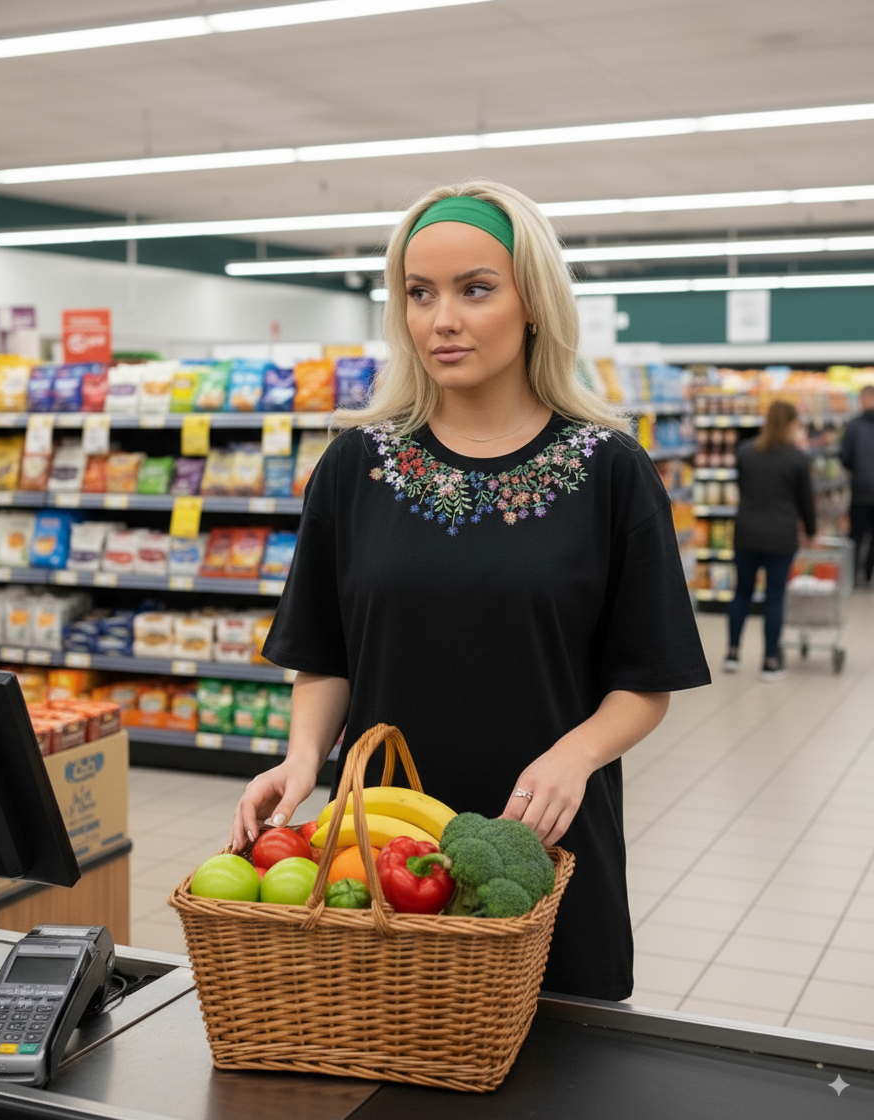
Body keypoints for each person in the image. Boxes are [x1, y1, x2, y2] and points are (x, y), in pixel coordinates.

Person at [230, 180, 711, 1000]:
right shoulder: (357, 467)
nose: (440, 319)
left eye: (475, 289)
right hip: (377, 854)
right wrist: (304, 754)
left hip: (547, 848)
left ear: (534, 305)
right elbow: (325, 655)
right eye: (419, 294)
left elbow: (646, 678)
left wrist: (577, 755)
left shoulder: (609, 472)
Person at [723, 400, 816, 681]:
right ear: (790, 424)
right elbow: (806, 503)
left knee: (742, 593)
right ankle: (770, 661)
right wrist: (811, 533)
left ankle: (733, 653)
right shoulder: (797, 458)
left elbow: (741, 487)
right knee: (774, 599)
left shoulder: (745, 451)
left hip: (746, 532)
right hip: (780, 536)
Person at [839, 384, 874, 589]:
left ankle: (852, 578)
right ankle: (868, 575)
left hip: (859, 491)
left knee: (856, 536)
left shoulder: (853, 426)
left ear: (862, 400)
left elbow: (845, 457)